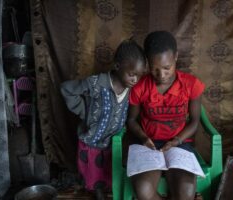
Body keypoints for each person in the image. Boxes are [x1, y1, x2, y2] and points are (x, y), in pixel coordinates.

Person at [60, 39, 146, 200]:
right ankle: (97, 192)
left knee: (109, 169)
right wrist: (83, 111)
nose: (135, 80)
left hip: (113, 141)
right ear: (117, 66)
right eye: (132, 74)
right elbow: (66, 89)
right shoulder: (96, 83)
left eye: (139, 76)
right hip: (92, 139)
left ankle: (107, 189)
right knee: (93, 172)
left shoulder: (131, 89)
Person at [127, 31, 205, 200]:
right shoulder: (140, 87)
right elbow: (131, 120)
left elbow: (195, 121)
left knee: (187, 192)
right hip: (148, 144)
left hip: (179, 143)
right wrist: (143, 138)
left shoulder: (191, 85)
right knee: (144, 191)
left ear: (176, 57)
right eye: (154, 69)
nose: (161, 75)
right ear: (147, 62)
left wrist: (177, 140)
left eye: (166, 68)